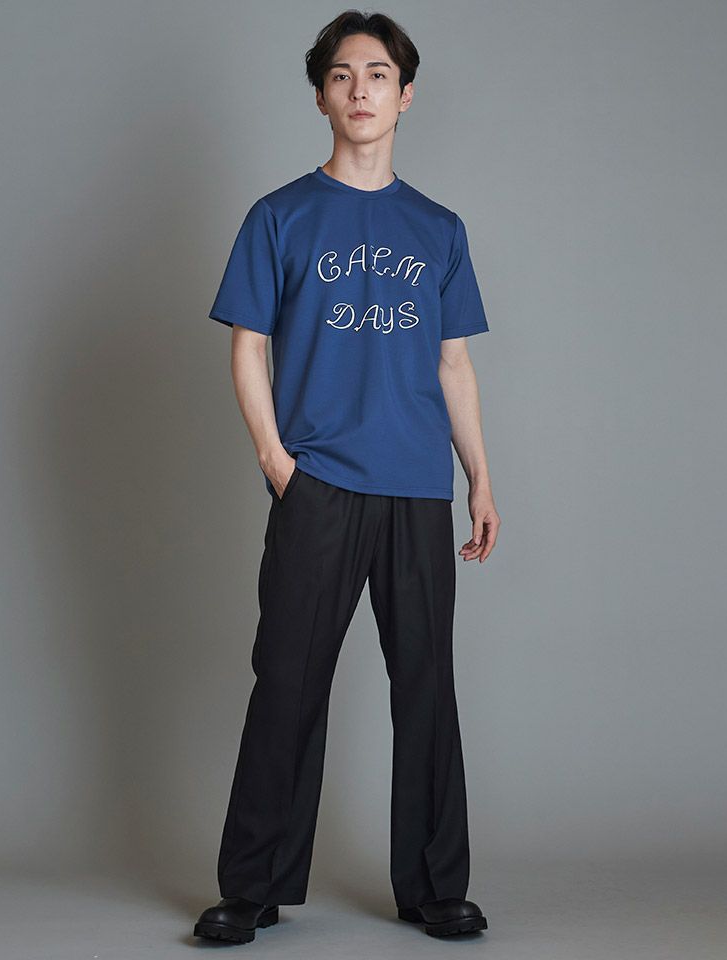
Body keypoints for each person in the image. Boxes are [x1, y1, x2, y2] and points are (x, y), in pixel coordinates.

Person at [193, 9, 500, 944]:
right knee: (287, 681)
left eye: (377, 75)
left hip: (417, 487)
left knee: (427, 687)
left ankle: (435, 887)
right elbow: (248, 345)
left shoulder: (438, 228)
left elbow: (453, 364)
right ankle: (251, 887)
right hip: (318, 482)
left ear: (405, 97)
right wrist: (275, 460)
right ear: (322, 97)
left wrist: (480, 478)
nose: (359, 89)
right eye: (340, 75)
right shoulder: (279, 216)